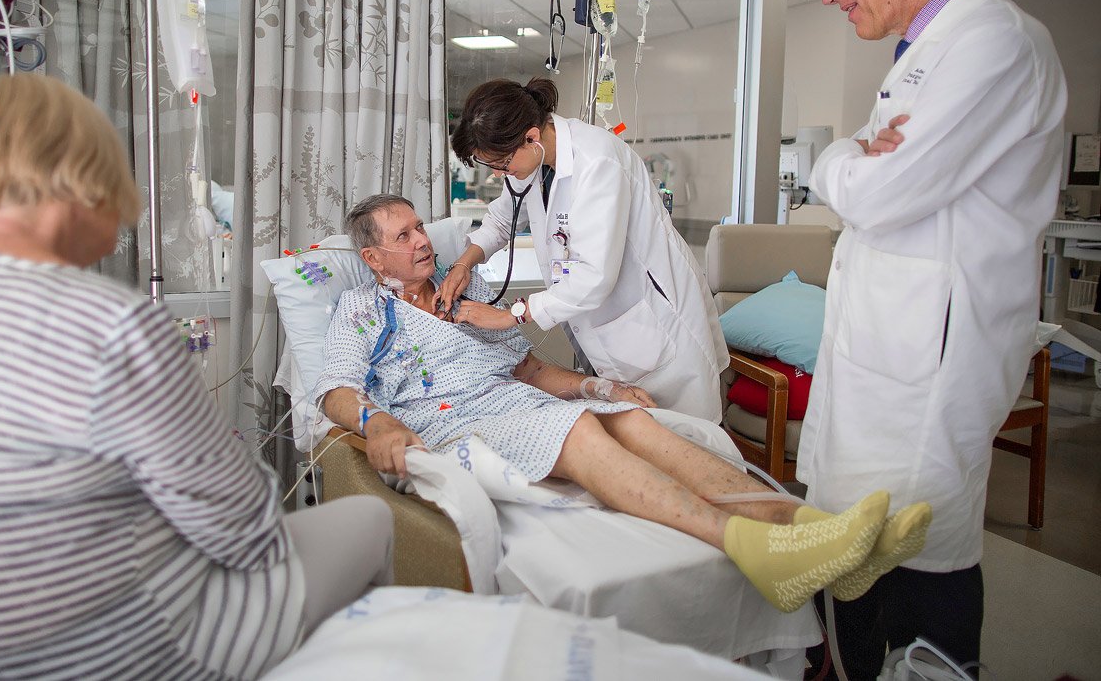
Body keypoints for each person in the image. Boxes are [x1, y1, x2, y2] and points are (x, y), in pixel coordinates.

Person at [0, 74, 394, 679]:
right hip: (113, 650)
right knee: (370, 519)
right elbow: (243, 532)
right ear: (83, 181)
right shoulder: (112, 326)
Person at [315, 194, 933, 615]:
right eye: (405, 235)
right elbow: (335, 389)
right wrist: (378, 421)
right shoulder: (364, 311)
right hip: (456, 425)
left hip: (512, 399)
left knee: (628, 418)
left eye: (421, 226)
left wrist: (599, 387)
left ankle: (807, 527)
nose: (423, 239)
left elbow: (528, 368)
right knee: (581, 434)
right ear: (372, 259)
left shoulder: (468, 285)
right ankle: (751, 546)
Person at [797, 0, 1067, 676]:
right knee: (859, 562)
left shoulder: (995, 44)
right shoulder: (925, 53)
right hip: (889, 362)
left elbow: (878, 190)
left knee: (917, 570)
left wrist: (835, 158)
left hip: (927, 376)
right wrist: (853, 159)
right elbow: (873, 174)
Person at [437, 78, 728, 422]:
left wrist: (509, 315)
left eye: (502, 164)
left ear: (531, 137)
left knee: (687, 438)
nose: (502, 175)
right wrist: (463, 264)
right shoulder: (531, 162)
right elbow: (502, 221)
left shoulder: (597, 161)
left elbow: (594, 276)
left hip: (654, 323)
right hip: (608, 330)